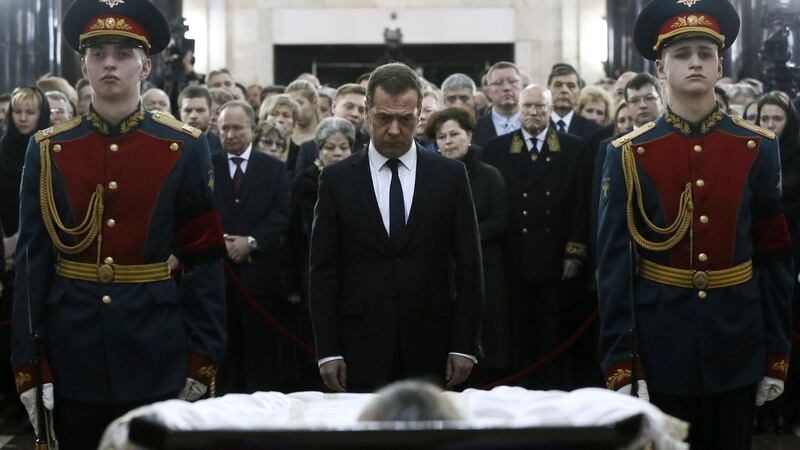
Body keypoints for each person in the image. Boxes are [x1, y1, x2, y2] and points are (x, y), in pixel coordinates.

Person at [11, 2, 227, 448]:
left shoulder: (183, 148)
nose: (110, 62)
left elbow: (204, 260)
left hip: (156, 347)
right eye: (98, 52)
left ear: (145, 65)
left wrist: (202, 356)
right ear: (84, 65)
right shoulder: (50, 150)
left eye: (124, 53)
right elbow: (32, 264)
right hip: (72, 347)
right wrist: (29, 361)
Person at [597, 1, 793, 449]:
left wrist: (776, 353)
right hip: (660, 345)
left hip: (737, 342)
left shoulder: (755, 148)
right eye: (682, 53)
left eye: (705, 53)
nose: (695, 62)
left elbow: (774, 255)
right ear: (661, 68)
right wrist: (623, 364)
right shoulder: (628, 153)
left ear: (720, 65)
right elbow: (613, 270)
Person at [309, 63, 483, 393]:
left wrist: (464, 344)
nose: (393, 129)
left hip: (433, 345)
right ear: (366, 112)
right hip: (358, 346)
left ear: (420, 116)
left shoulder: (450, 176)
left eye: (405, 119)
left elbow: (469, 268)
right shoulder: (336, 179)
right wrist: (327, 349)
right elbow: (323, 271)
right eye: (383, 117)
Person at [482, 85, 588, 390]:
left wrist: (575, 252)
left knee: (552, 329)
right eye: (527, 106)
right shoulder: (497, 149)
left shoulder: (573, 148)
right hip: (514, 257)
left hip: (555, 257)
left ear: (551, 109)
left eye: (540, 107)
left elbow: (582, 203)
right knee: (518, 329)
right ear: (518, 109)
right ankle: (521, 387)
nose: (533, 112)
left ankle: (552, 388)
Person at [425, 107, 510, 384]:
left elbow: (501, 219)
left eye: (454, 134)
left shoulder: (489, 175)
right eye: (441, 137)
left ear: (469, 136)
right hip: (441, 271)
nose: (447, 141)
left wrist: (462, 235)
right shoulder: (430, 176)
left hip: (484, 266)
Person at [212, 100, 291, 394]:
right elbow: (195, 209)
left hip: (260, 280)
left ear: (252, 129)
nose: (230, 134)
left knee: (260, 358)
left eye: (236, 128)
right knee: (225, 358)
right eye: (224, 129)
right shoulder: (206, 165)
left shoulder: (273, 168)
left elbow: (283, 213)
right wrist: (221, 242)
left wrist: (251, 242)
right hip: (219, 279)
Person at [756, 92, 800, 434]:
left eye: (777, 119)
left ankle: (790, 410)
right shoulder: (750, 154)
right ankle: (761, 412)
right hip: (757, 262)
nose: (770, 125)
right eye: (764, 119)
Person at [293, 83, 370, 175]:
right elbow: (300, 186)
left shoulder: (371, 146)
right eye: (349, 107)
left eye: (361, 110)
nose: (355, 114)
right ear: (333, 107)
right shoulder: (308, 148)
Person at [473, 62, 522, 147]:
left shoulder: (539, 124)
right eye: (498, 83)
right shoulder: (475, 128)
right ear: (489, 91)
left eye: (512, 81)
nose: (506, 88)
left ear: (522, 87)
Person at [548, 63, 600, 141]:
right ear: (548, 90)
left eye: (571, 86)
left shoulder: (594, 131)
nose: (564, 90)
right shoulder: (538, 127)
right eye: (558, 85)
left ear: (579, 93)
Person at [261, 94, 301, 171]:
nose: (279, 120)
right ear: (264, 119)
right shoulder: (252, 151)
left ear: (294, 124)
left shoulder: (301, 154)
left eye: (286, 116)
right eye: (274, 114)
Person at [178, 85, 222, 156]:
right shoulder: (170, 145)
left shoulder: (223, 147)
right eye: (188, 110)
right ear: (180, 113)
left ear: (210, 113)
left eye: (200, 110)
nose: (193, 116)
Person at [286, 79, 320, 146]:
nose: (295, 108)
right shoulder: (284, 133)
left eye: (299, 103)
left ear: (314, 103)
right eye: (291, 104)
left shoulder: (326, 135)